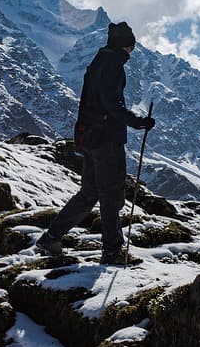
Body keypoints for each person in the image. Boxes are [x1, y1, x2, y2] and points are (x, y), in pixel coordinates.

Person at [36, 22, 155, 264]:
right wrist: (137, 121)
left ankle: (52, 237)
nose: (132, 51)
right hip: (106, 139)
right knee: (111, 196)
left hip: (88, 136)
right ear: (126, 45)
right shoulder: (113, 65)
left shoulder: (99, 61)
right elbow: (112, 104)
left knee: (89, 193)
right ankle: (112, 251)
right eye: (132, 46)